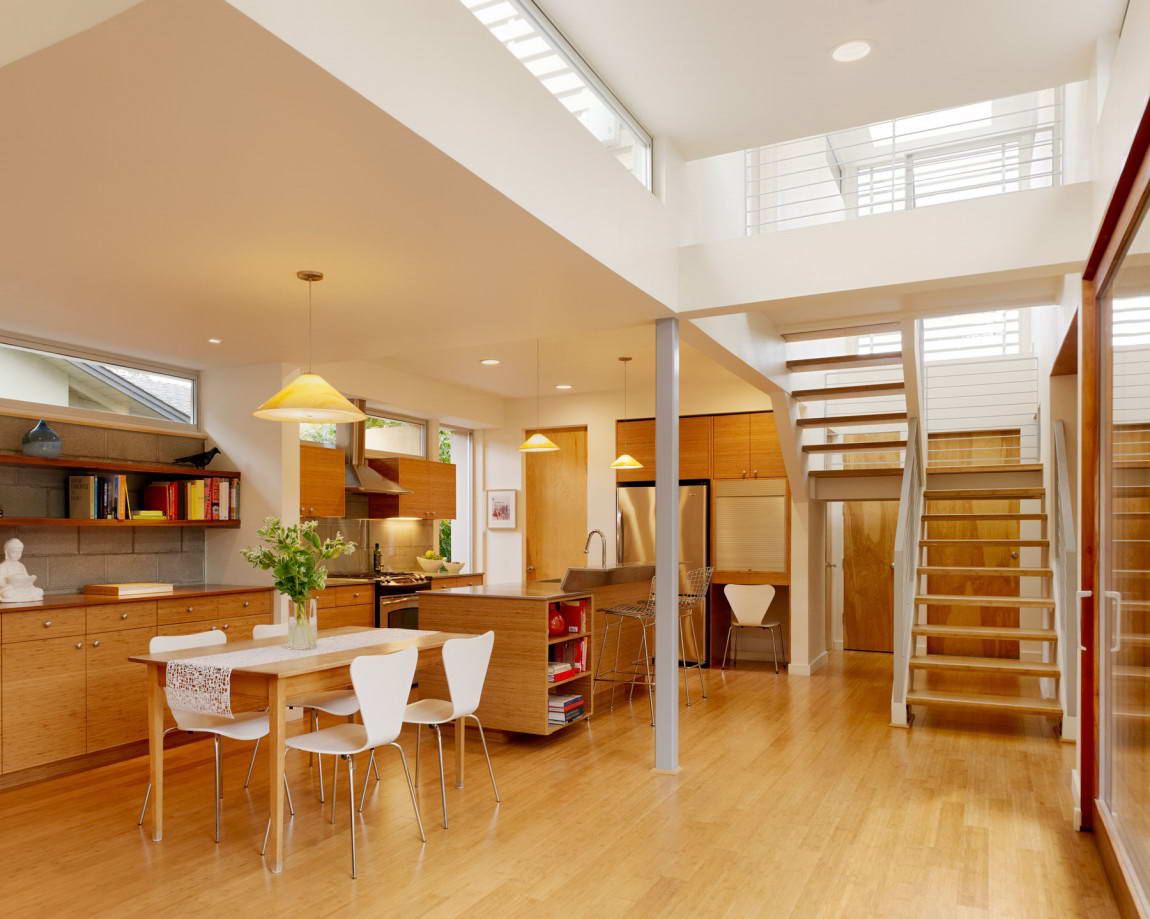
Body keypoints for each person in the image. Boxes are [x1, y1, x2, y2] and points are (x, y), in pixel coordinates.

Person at [0, 537, 43, 601]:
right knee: (7, 593)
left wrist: (29, 580)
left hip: (23, 589)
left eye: (19, 552)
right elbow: (1, 582)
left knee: (39, 591)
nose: (17, 555)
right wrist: (8, 585)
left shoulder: (21, 565)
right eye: (14, 552)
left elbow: (26, 578)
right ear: (6, 552)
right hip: (10, 589)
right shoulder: (3, 566)